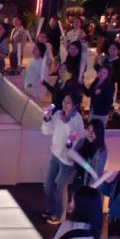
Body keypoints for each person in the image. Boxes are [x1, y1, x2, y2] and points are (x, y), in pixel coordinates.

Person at [42, 93, 86, 224]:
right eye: (64, 101)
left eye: (68, 102)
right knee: (48, 184)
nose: (65, 105)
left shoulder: (77, 120)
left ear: (75, 105)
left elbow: (75, 138)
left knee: (61, 187)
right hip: (55, 154)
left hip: (67, 160)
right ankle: (51, 208)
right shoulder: (58, 114)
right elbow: (47, 131)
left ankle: (59, 215)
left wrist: (67, 123)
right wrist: (47, 119)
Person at [70, 119, 108, 194]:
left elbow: (96, 173)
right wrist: (71, 141)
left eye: (93, 131)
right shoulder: (82, 141)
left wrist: (90, 190)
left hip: (88, 183)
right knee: (73, 196)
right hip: (78, 177)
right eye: (88, 130)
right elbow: (72, 154)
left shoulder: (101, 152)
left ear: (98, 133)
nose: (90, 134)